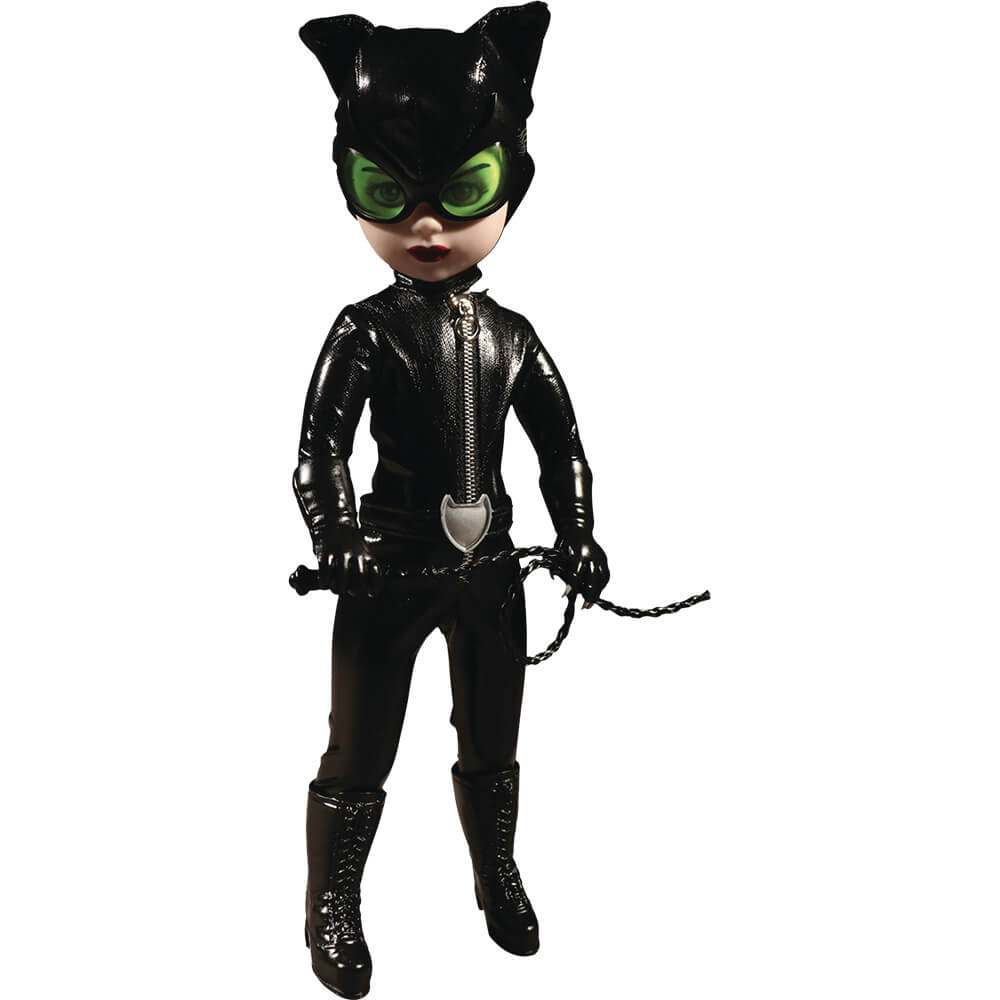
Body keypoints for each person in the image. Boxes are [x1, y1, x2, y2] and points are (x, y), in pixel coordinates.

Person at [294, 5, 609, 996]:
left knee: (495, 737)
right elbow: (321, 449)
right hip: (386, 569)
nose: (426, 227)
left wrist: (579, 533)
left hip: (491, 572)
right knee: (360, 745)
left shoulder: (513, 336)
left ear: (512, 182)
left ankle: (495, 871)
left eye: (462, 189)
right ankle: (331, 902)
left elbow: (560, 446)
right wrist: (338, 537)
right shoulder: (365, 330)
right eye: (387, 192)